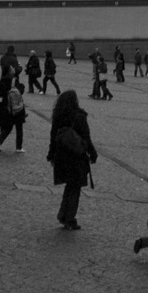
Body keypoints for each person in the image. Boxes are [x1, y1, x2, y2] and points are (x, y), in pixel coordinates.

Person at [47, 89, 98, 229]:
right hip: (77, 157)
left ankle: (63, 214)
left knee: (70, 187)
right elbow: (86, 138)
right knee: (74, 188)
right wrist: (93, 153)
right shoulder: (79, 116)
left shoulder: (58, 116)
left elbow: (53, 137)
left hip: (62, 157)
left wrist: (51, 154)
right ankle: (69, 218)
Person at [0, 82, 27, 152]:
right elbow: (21, 105)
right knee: (19, 130)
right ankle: (19, 147)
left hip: (10, 112)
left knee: (8, 128)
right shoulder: (18, 94)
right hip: (18, 112)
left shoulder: (10, 91)